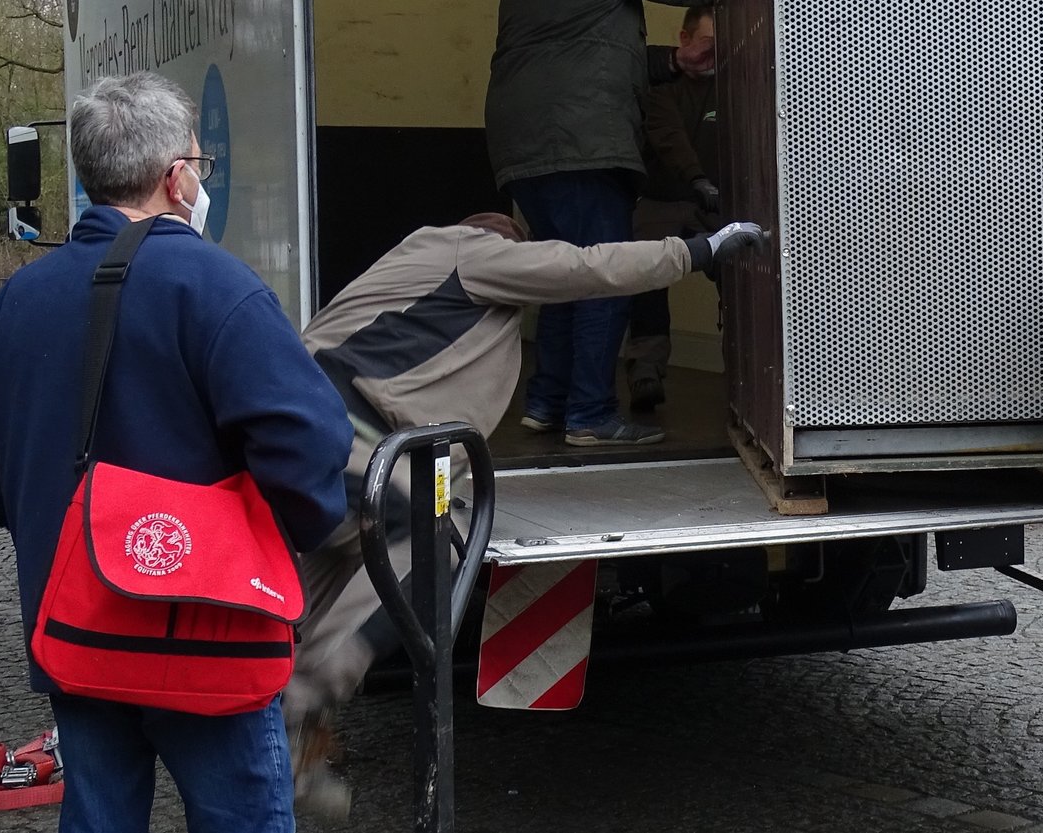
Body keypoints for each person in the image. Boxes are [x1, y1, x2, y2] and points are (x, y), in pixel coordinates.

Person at [0, 73, 351, 833]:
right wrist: (280, 539)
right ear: (177, 177)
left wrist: (47, 514)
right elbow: (310, 444)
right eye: (201, 162)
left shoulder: (19, 301)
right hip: (213, 636)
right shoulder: (218, 287)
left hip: (79, 632)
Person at [286, 211, 764, 816]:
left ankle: (274, 735)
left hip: (304, 435)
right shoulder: (475, 253)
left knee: (320, 581)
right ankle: (306, 699)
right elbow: (585, 267)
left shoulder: (411, 262)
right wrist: (697, 252)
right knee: (429, 539)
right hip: (354, 438)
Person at [485, 0, 730, 448]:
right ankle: (591, 413)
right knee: (605, 273)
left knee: (562, 274)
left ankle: (547, 403)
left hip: (527, 146)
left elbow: (588, 56)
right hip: (580, 144)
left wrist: (675, 60)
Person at [624, 3, 723, 410]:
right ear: (684, 40)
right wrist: (697, 178)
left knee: (746, 277)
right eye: (708, 45)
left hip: (719, 204)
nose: (716, 55)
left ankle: (750, 374)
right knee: (645, 274)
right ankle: (645, 367)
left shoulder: (740, 83)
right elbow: (666, 135)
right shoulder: (660, 83)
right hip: (663, 198)